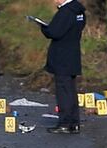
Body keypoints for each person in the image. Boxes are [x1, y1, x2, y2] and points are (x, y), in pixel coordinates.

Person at [40, 0, 85, 134]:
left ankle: (65, 123)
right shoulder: (79, 10)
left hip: (62, 56)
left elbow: (54, 32)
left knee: (63, 91)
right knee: (71, 90)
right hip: (73, 54)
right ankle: (74, 122)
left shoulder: (65, 11)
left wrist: (44, 27)